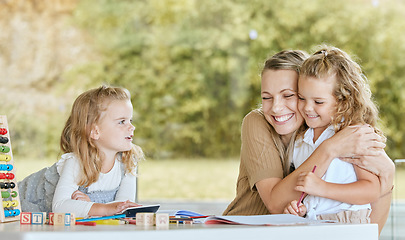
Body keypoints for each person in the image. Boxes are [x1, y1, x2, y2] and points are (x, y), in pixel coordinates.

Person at [223, 50, 394, 234]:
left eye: (289, 95)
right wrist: (329, 149)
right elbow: (278, 204)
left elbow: (371, 225)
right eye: (266, 97)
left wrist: (388, 174)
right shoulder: (267, 126)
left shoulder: (343, 133)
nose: (276, 107)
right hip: (247, 232)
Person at [283, 46, 382, 223]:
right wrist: (303, 209)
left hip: (348, 223)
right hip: (316, 223)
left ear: (343, 100)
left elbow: (371, 190)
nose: (307, 108)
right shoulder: (301, 139)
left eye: (318, 101)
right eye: (302, 98)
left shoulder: (353, 135)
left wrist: (322, 187)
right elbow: (316, 199)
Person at [19, 85, 144, 217]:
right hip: (21, 199)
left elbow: (122, 207)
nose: (132, 127)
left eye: (130, 120)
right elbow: (60, 206)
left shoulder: (128, 162)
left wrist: (89, 206)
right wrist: (95, 207)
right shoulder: (76, 162)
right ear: (95, 132)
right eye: (122, 122)